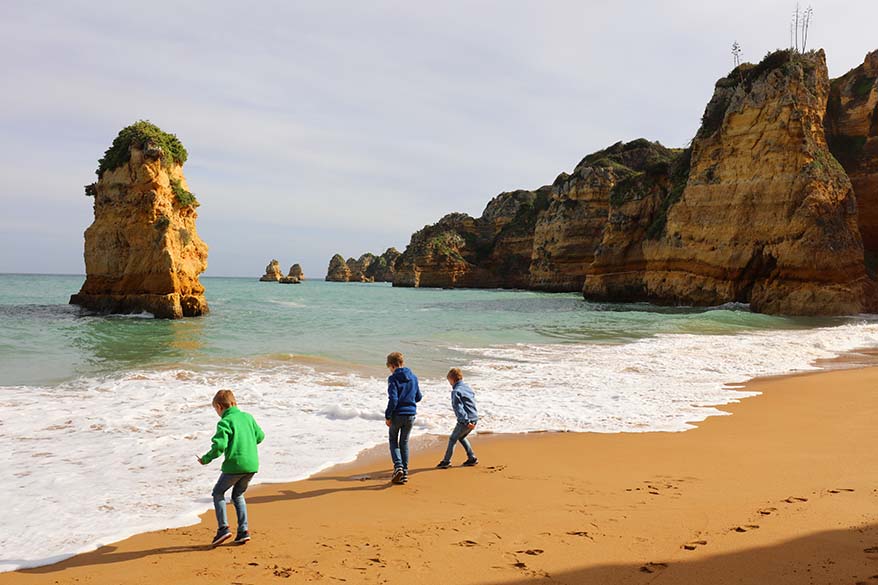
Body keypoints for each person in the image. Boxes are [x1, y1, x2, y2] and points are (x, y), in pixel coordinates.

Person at [198, 389, 265, 546]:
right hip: (252, 465)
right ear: (234, 403)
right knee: (238, 495)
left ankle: (223, 529)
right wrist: (246, 441)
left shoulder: (225, 422)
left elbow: (220, 445)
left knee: (218, 493)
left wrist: (206, 459)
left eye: (216, 410)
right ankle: (243, 531)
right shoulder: (248, 417)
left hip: (234, 465)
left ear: (220, 407)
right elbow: (260, 436)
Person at [384, 352, 422, 484]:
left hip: (398, 415)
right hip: (411, 415)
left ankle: (398, 466)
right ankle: (404, 473)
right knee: (404, 442)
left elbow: (393, 399)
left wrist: (388, 416)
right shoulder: (414, 377)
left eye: (389, 367)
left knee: (393, 440)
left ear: (392, 365)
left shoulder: (393, 378)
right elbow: (418, 397)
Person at [436, 368, 479, 469]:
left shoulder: (456, 391)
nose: (449, 383)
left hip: (466, 420)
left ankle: (446, 461)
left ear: (452, 379)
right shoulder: (467, 388)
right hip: (474, 417)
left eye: (449, 381)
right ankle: (471, 458)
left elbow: (459, 409)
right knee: (461, 437)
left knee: (452, 439)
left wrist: (466, 421)